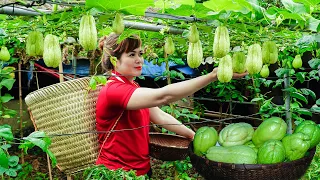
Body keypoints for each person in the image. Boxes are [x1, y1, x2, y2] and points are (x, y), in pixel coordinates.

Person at [95, 33, 248, 177]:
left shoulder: (132, 86)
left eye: (140, 54)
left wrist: (192, 136)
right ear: (115, 60)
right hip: (116, 173)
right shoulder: (113, 90)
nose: (139, 60)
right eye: (132, 55)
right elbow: (163, 96)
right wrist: (212, 76)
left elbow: (159, 116)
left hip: (140, 170)